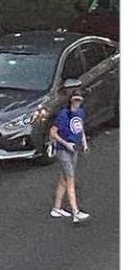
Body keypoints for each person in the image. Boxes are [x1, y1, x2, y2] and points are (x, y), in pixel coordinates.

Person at [49, 89, 90, 223]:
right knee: (70, 179)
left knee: (64, 180)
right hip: (64, 151)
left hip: (75, 149)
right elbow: (53, 133)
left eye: (79, 100)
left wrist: (84, 143)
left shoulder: (81, 113)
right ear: (71, 100)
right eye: (75, 100)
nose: (77, 103)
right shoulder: (63, 115)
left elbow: (80, 128)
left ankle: (56, 208)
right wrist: (66, 144)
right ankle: (75, 211)